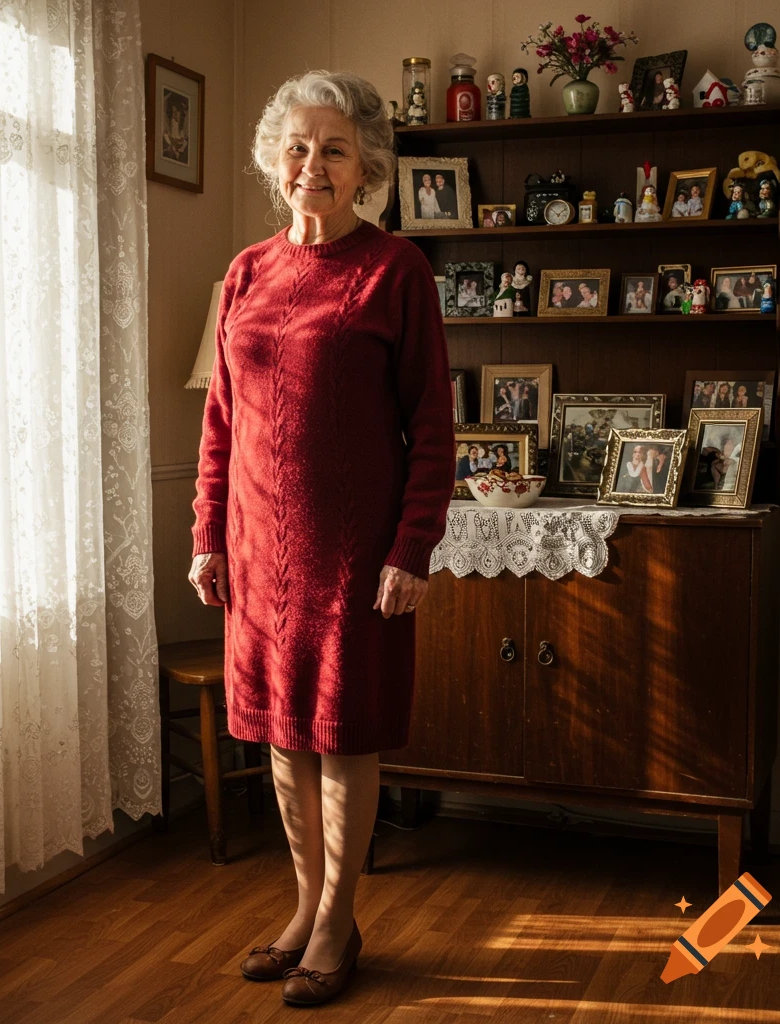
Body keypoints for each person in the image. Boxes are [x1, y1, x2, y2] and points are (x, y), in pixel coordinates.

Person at [189, 70, 454, 1007]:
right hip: (256, 550)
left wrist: (411, 546)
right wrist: (206, 535)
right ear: (276, 160)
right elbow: (220, 418)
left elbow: (431, 425)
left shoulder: (397, 270)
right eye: (298, 147)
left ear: (368, 165)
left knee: (341, 738)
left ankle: (339, 921)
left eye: (335, 148)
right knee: (279, 736)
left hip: (353, 552)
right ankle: (306, 907)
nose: (313, 165)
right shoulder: (246, 273)